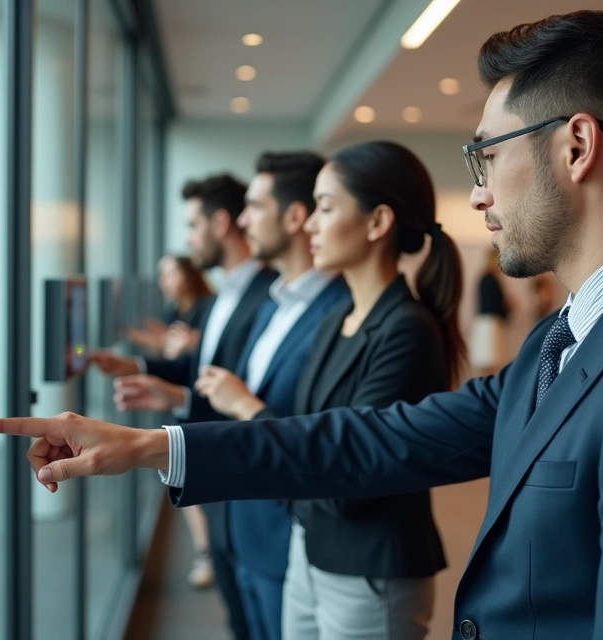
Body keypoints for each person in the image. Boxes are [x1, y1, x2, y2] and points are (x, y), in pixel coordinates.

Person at [0, 11, 603, 639]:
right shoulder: (570, 336)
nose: (477, 193)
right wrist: (149, 446)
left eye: (486, 156)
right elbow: (375, 440)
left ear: (577, 145)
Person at [198, 141, 463, 640]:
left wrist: (249, 410)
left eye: (325, 208)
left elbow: (350, 473)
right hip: (311, 547)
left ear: (377, 222)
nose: (311, 225)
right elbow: (310, 440)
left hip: (368, 566)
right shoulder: (337, 318)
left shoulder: (406, 329)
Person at [161, 150, 347, 640]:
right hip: (240, 520)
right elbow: (227, 396)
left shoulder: (341, 311)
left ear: (294, 216)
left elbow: (328, 435)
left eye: (255, 207)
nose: (244, 221)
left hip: (286, 533)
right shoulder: (274, 303)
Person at [89, 173, 276, 640]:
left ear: (220, 223)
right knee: (240, 618)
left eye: (193, 225)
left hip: (249, 484)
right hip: (221, 484)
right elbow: (203, 368)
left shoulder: (267, 295)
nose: (189, 238)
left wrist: (181, 397)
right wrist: (142, 368)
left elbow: (247, 389)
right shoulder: (224, 294)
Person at [126, 255, 213, 358]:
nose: (163, 282)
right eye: (162, 276)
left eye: (170, 274)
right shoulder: (171, 314)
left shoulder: (209, 309)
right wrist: (157, 343)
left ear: (189, 276)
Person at [471, 248, 510, 375]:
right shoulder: (490, 279)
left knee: (488, 363)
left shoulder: (486, 277)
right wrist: (507, 306)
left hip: (485, 323)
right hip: (490, 324)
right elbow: (492, 303)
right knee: (489, 363)